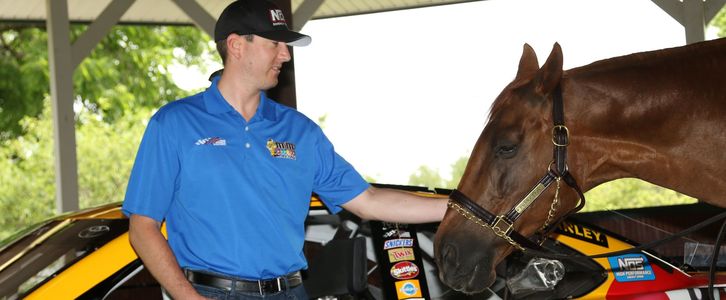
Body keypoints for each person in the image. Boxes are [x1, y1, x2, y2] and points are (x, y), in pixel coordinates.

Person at [122, 0, 448, 299]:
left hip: (292, 291)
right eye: (274, 44)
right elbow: (142, 227)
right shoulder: (175, 124)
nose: (285, 55)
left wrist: (462, 207)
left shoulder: (300, 131)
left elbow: (369, 201)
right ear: (236, 45)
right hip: (214, 293)